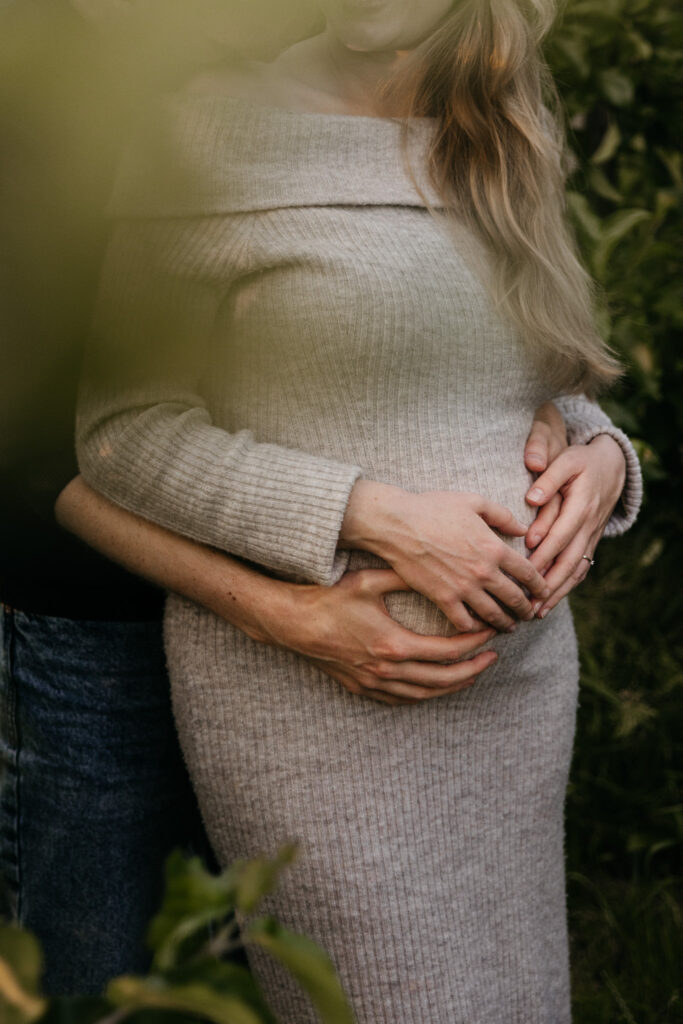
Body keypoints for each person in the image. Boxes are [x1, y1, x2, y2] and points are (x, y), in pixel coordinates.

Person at [70, 0, 643, 1019]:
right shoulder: (202, 135)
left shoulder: (504, 132)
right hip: (320, 706)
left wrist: (603, 458)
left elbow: (531, 378)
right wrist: (371, 516)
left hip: (515, 702)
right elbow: (124, 433)